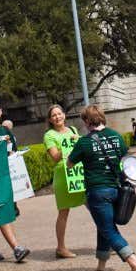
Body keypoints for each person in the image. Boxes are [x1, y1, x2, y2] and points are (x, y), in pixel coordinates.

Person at [67, 105, 136, 271]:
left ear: (87, 121)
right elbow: (126, 161)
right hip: (116, 189)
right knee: (103, 226)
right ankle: (100, 268)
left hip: (97, 191)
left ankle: (135, 263)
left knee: (108, 229)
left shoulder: (84, 142)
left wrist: (80, 149)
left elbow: (69, 164)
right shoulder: (116, 136)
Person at [0, 98, 30, 263]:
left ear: (1, 112)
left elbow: (12, 153)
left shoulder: (6, 131)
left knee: (1, 213)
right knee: (2, 212)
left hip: (6, 178)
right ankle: (16, 248)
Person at [44, 104, 85, 259]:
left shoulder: (73, 130)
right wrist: (68, 143)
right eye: (53, 115)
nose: (57, 117)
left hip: (78, 173)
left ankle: (108, 241)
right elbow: (55, 157)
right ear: (50, 119)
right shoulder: (49, 135)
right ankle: (61, 248)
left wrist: (78, 140)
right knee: (63, 212)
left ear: (64, 115)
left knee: (95, 206)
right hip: (63, 175)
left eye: (59, 113)